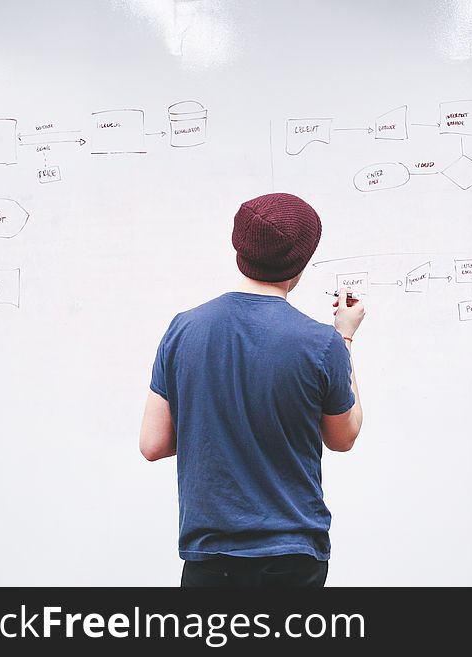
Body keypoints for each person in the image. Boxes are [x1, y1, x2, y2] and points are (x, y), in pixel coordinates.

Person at [139, 192, 365, 587]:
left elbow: (153, 443)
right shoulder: (321, 343)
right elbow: (342, 437)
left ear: (239, 248)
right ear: (302, 261)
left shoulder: (183, 329)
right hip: (291, 557)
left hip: (208, 557)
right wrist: (343, 337)